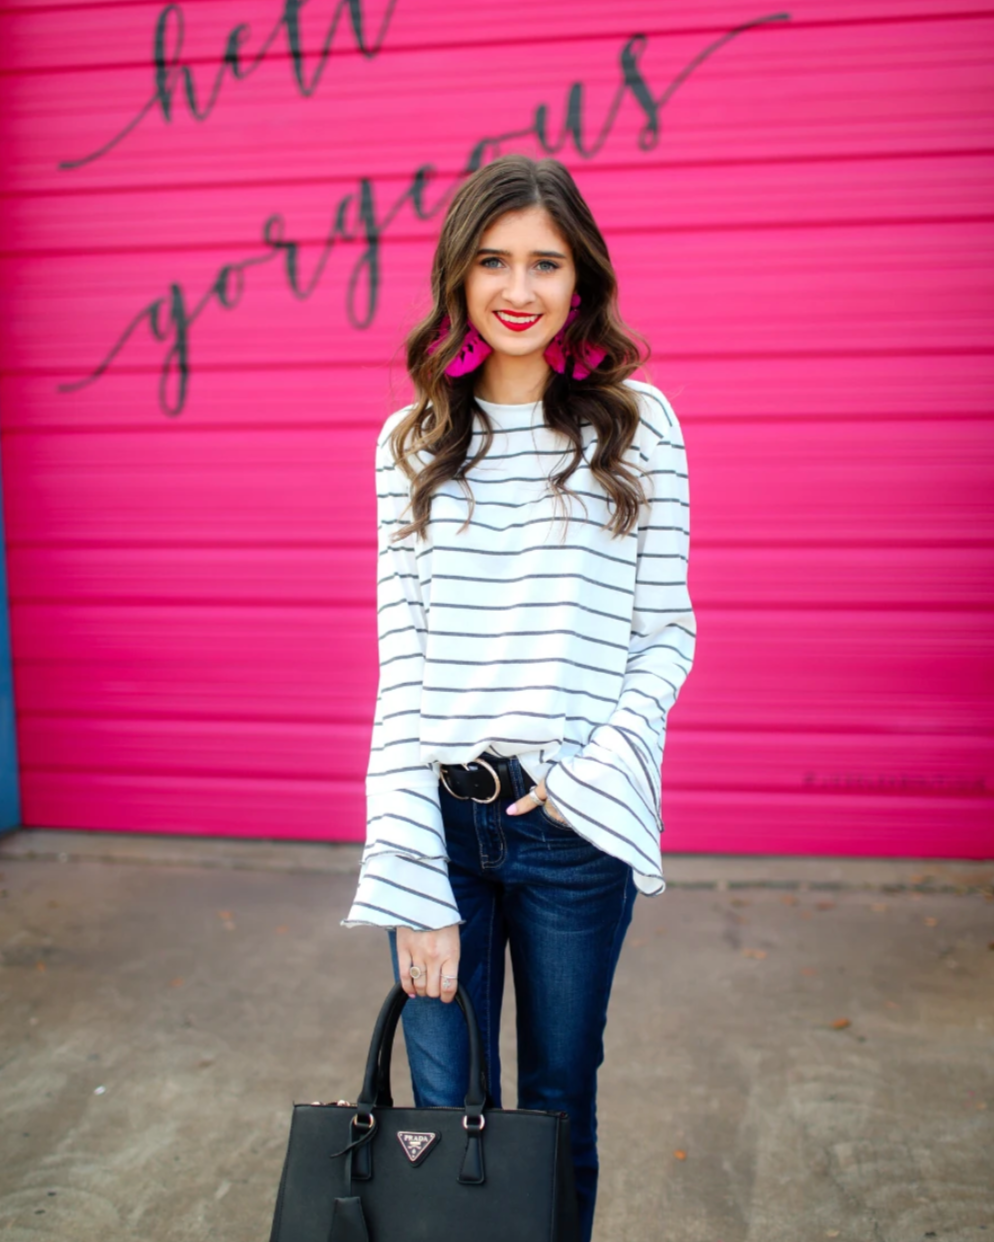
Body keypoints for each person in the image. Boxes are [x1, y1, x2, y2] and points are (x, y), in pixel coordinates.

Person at [343, 153, 696, 1242]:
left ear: (577, 281)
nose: (518, 287)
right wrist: (412, 883)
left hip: (572, 828)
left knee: (553, 1110)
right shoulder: (410, 446)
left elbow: (664, 634)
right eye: (492, 260)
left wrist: (591, 777)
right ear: (457, 275)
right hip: (439, 826)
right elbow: (401, 671)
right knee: (445, 1115)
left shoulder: (634, 428)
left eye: (545, 263)